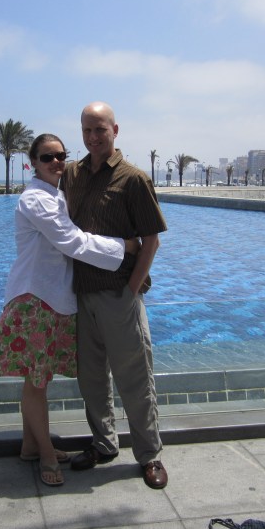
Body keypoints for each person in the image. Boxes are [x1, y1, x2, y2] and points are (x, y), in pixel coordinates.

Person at [0, 133, 139, 487]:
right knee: (36, 383)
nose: (56, 162)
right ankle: (47, 455)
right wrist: (125, 247)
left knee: (37, 381)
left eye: (61, 156)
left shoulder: (56, 196)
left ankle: (30, 446)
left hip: (48, 299)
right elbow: (73, 241)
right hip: (36, 300)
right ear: (32, 162)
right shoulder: (37, 200)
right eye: (47, 157)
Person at [60, 101, 169, 489]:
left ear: (115, 131)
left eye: (100, 130)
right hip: (81, 295)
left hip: (119, 295)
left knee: (134, 379)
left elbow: (150, 240)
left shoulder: (132, 179)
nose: (92, 137)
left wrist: (131, 289)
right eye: (87, 130)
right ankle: (104, 444)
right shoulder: (71, 175)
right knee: (91, 380)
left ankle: (149, 454)